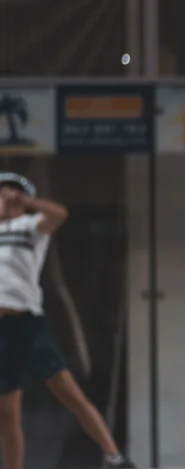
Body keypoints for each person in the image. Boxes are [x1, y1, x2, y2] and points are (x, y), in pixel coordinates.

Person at [0, 173, 135, 469]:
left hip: (27, 322)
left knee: (69, 394)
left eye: (11, 193)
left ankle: (116, 457)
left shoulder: (31, 226)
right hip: (2, 332)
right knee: (8, 412)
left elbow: (60, 213)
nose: (5, 197)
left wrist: (26, 201)